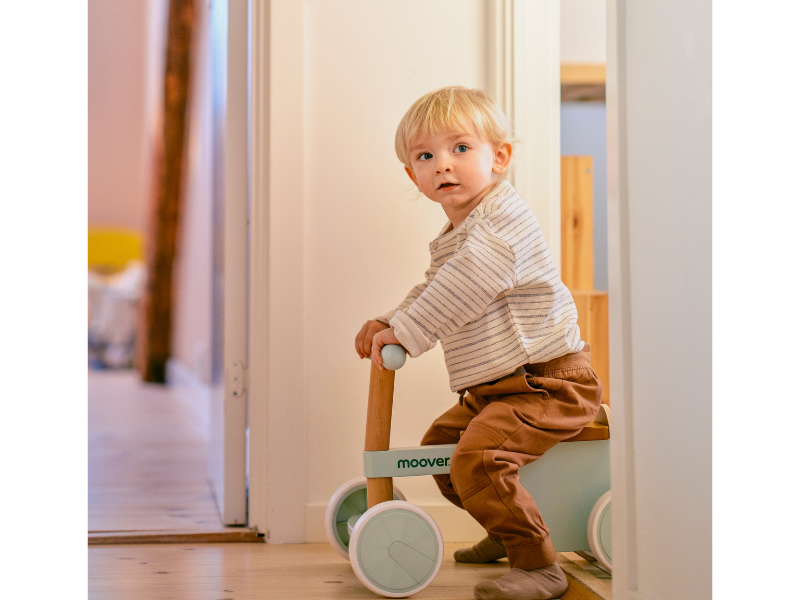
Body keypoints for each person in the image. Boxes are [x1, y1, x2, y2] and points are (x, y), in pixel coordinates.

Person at [354, 86, 602, 600]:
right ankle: (505, 531)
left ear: (500, 157)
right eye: (426, 156)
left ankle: (539, 566)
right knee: (442, 453)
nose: (443, 164)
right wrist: (388, 318)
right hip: (499, 390)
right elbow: (435, 284)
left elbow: (461, 287)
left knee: (478, 458)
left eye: (460, 148)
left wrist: (406, 333)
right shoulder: (461, 230)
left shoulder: (500, 227)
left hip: (547, 384)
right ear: (412, 176)